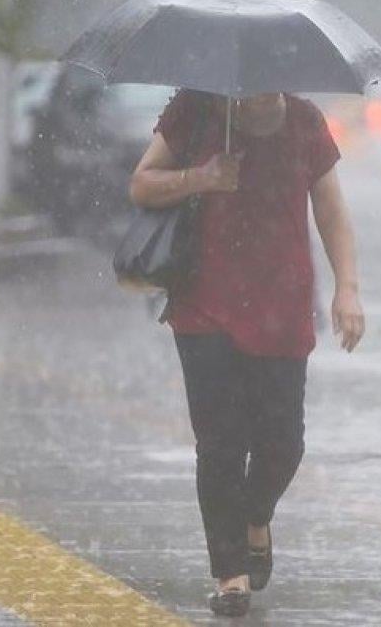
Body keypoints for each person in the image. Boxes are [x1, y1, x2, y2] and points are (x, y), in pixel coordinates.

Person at [130, 89, 364, 617]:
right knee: (220, 444)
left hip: (281, 304)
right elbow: (142, 184)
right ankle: (229, 573)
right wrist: (203, 177)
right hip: (204, 304)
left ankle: (256, 517)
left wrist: (346, 287)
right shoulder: (196, 109)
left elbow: (330, 208)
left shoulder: (304, 121)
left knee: (284, 442)